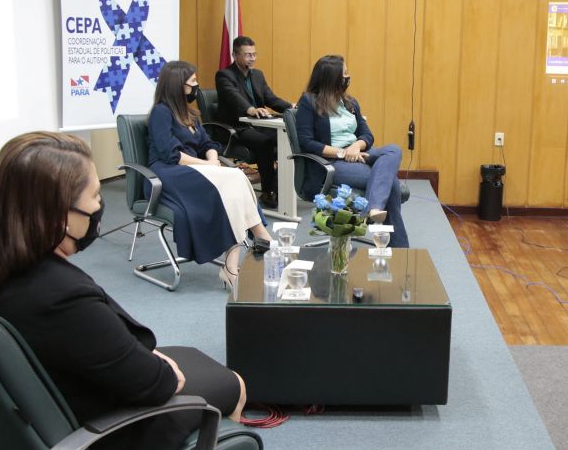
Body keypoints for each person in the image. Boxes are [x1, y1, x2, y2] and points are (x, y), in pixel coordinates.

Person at [0, 132, 246, 449]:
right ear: (61, 214)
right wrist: (159, 369)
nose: (100, 206)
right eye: (95, 196)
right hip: (108, 428)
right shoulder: (61, 296)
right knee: (234, 383)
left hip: (62, 401)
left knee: (191, 358)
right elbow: (158, 384)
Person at [148, 60, 272, 291]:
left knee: (233, 180)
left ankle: (233, 264)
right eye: (192, 83)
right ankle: (263, 237)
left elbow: (208, 142)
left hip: (197, 169)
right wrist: (208, 164)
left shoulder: (189, 113)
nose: (196, 87)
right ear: (177, 86)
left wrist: (212, 157)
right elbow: (171, 153)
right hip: (169, 173)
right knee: (233, 177)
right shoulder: (161, 113)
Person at [295, 54, 409, 248]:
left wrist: (356, 146)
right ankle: (398, 247)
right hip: (332, 162)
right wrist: (343, 152)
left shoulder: (350, 102)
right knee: (392, 184)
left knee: (393, 150)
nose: (348, 77)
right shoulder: (309, 102)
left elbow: (367, 134)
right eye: (345, 73)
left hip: (358, 154)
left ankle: (373, 208)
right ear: (331, 78)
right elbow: (306, 142)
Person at [215, 36, 293, 209]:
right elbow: (233, 97)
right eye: (248, 55)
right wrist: (250, 109)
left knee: (288, 141)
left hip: (258, 125)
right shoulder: (224, 75)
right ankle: (267, 192)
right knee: (265, 143)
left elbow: (270, 98)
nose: (252, 58)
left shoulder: (257, 75)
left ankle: (278, 189)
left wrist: (291, 107)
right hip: (235, 127)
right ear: (235, 55)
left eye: (254, 54)